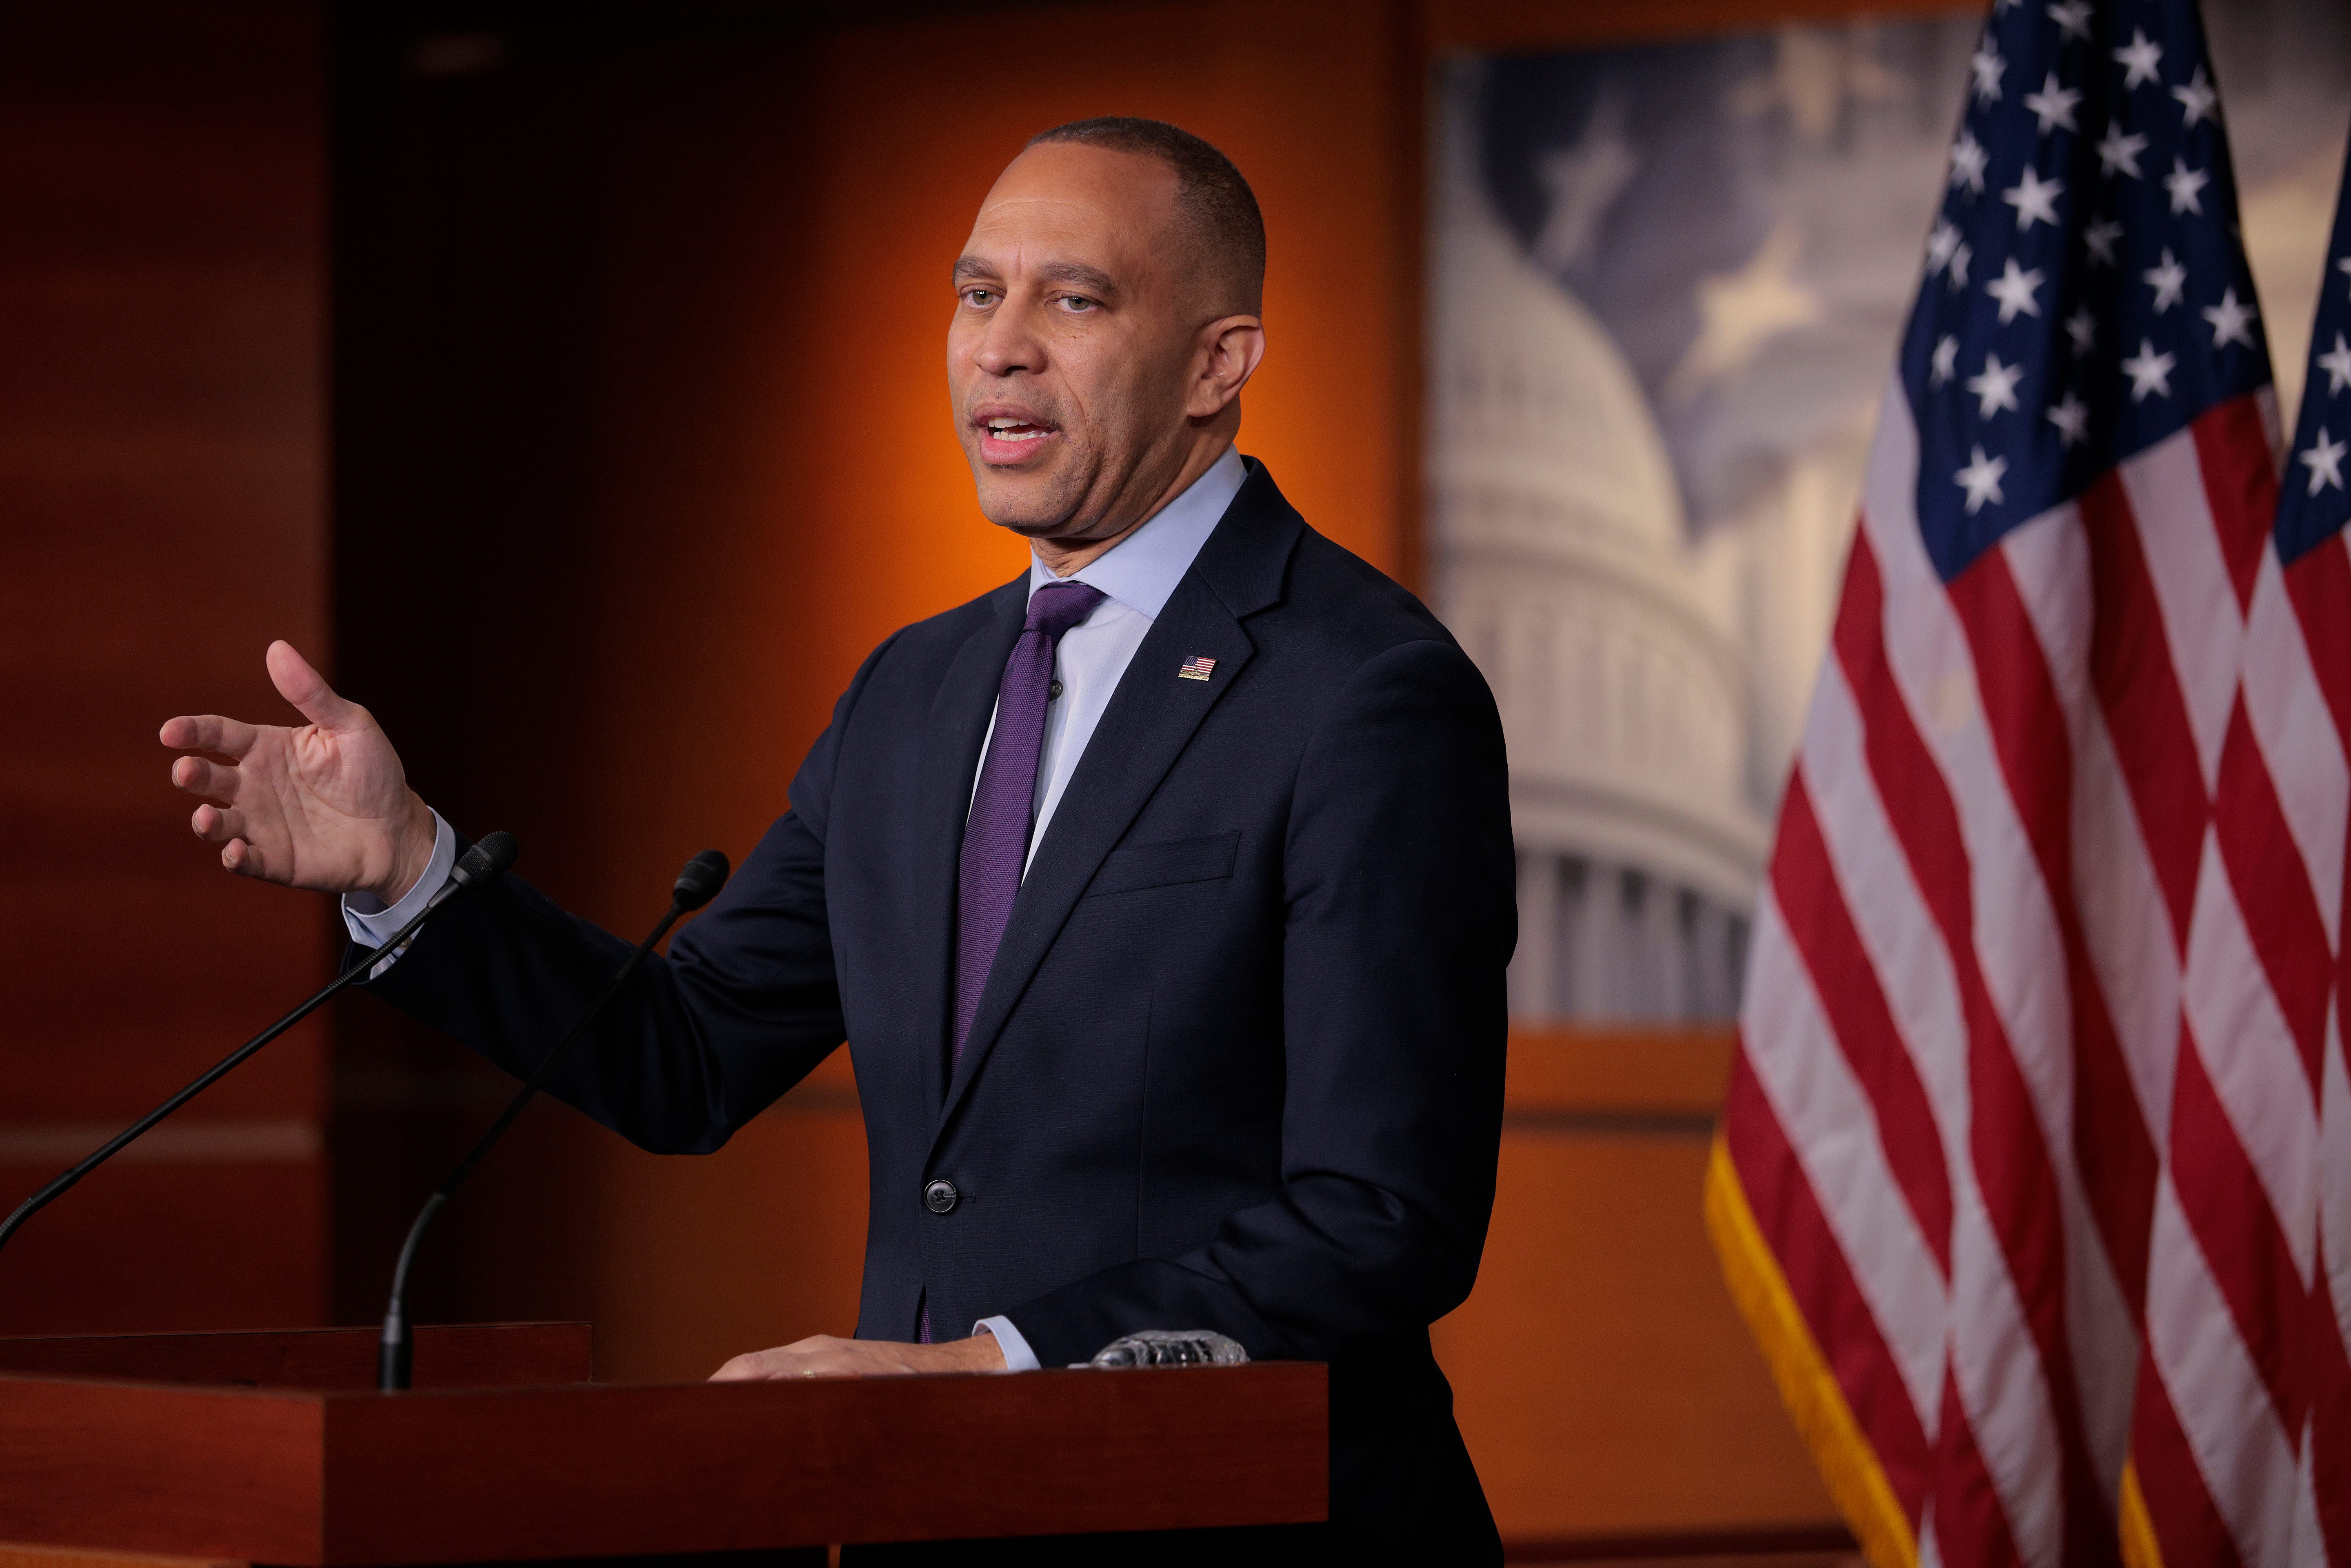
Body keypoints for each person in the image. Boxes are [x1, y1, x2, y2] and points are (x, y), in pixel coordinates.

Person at [162, 117, 1514, 1563]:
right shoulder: (914, 691)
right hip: (927, 1513)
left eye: (1074, 298)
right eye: (977, 292)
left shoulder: (1365, 691)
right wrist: (409, 869)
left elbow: (1383, 1216)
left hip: (1251, 1521)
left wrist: (997, 1365)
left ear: (1217, 362)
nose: (1000, 348)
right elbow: (686, 1053)